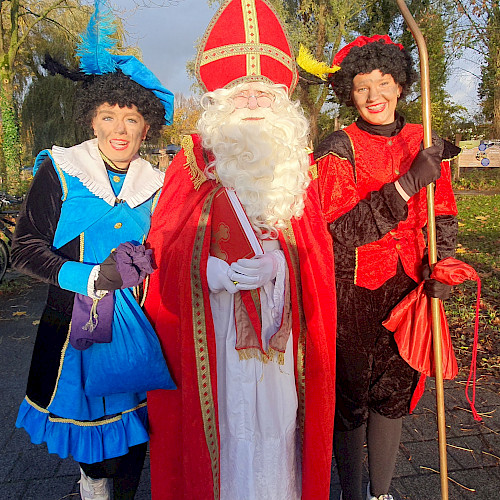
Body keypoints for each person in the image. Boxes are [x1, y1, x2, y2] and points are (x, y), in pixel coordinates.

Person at [144, 1, 336, 499]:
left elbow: (316, 254)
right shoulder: (190, 162)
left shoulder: (298, 166)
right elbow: (163, 247)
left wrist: (279, 265)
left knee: (278, 425)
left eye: (264, 92)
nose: (252, 101)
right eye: (240, 92)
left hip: (279, 331)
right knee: (227, 425)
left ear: (282, 101)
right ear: (219, 100)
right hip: (215, 328)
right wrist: (209, 272)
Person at [11, 2, 174, 499]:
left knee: (135, 441)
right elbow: (23, 249)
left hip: (140, 330)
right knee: (96, 455)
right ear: (92, 120)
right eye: (108, 116)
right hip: (74, 334)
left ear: (147, 127)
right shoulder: (61, 170)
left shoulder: (159, 184)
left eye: (131, 118)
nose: (119, 130)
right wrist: (89, 278)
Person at [311, 35, 460, 500]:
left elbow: (443, 215)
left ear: (400, 86)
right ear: (349, 94)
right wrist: (406, 185)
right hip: (353, 290)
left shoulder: (424, 140)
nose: (374, 96)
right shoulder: (338, 146)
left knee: (394, 394)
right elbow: (340, 228)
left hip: (411, 287)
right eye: (362, 87)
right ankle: (351, 493)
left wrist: (442, 267)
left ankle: (381, 492)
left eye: (384, 83)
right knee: (351, 398)